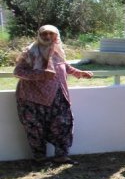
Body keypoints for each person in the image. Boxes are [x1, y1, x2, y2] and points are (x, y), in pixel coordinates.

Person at [14, 25, 94, 165]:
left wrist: (79, 73)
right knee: (35, 128)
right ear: (39, 35)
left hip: (57, 96)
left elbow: (64, 66)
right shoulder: (30, 52)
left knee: (63, 124)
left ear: (56, 36)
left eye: (51, 34)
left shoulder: (57, 50)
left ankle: (61, 156)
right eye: (44, 34)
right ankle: (40, 159)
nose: (48, 37)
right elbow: (18, 71)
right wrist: (40, 75)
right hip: (32, 97)